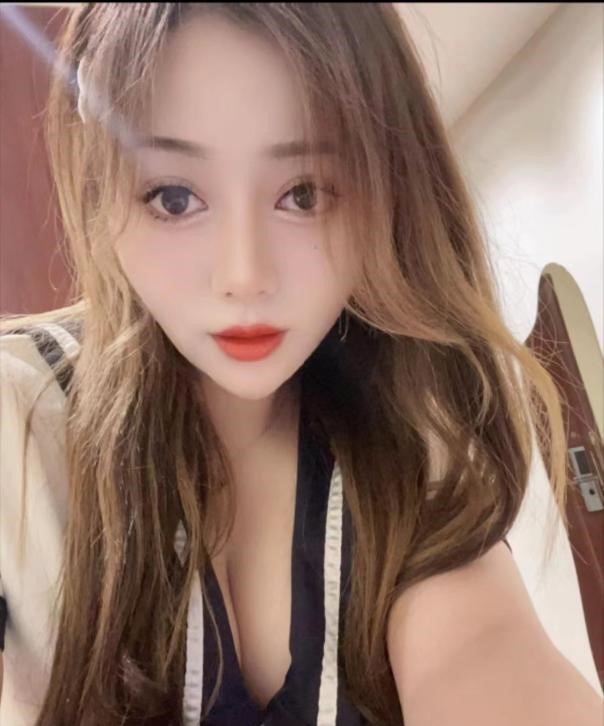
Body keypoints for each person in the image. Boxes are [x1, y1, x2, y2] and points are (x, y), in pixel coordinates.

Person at [0, 4, 601, 726]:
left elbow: (480, 647)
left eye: (304, 194)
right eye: (175, 197)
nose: (245, 276)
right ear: (101, 199)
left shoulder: (412, 433)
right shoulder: (18, 417)